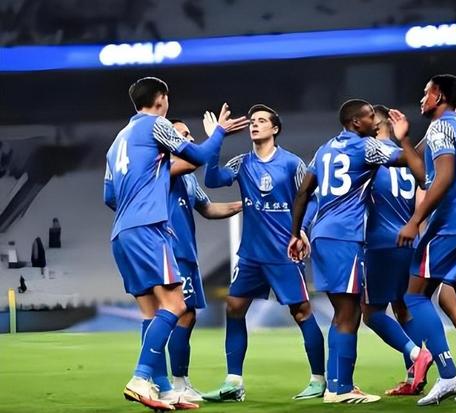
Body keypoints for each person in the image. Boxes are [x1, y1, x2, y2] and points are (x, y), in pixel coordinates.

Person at [104, 76, 248, 410]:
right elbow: (198, 155)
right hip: (149, 229)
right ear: (161, 98)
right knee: (176, 305)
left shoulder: (117, 141)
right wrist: (219, 133)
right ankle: (141, 378)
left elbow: (109, 196)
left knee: (150, 312)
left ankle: (164, 388)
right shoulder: (157, 125)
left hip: (122, 232)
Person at [288, 99, 425, 404]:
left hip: (322, 234)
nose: (374, 122)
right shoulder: (367, 147)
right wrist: (404, 137)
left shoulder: (324, 150)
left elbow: (303, 192)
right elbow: (412, 164)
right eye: (369, 117)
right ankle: (344, 388)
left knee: (343, 314)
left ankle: (336, 386)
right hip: (346, 237)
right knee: (350, 315)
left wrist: (296, 233)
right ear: (355, 122)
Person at [203, 104, 326, 402]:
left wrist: (302, 229)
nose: (254, 125)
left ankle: (319, 380)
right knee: (234, 307)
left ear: (275, 128)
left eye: (261, 121)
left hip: (284, 253)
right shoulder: (242, 163)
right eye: (252, 122)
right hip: (251, 254)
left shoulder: (292, 164)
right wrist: (216, 138)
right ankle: (234, 382)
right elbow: (212, 179)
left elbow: (311, 199)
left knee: (301, 312)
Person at [396, 75, 456, 405]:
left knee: (414, 295)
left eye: (426, 93)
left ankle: (449, 373)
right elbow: (428, 175)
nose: (422, 99)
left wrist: (414, 221)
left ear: (438, 96)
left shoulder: (440, 128)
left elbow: (443, 179)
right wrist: (404, 140)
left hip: (450, 225)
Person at [147, 118, 241, 404]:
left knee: (184, 315)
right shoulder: (162, 169)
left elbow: (209, 209)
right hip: (171, 251)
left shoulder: (188, 179)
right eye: (182, 134)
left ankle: (169, 381)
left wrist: (244, 204)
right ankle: (172, 382)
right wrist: (217, 136)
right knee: (181, 314)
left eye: (189, 134)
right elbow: (194, 161)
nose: (188, 138)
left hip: (187, 253)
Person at [362, 104, 431, 396]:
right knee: (403, 308)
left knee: (371, 313)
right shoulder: (407, 158)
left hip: (381, 244)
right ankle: (413, 377)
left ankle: (418, 354)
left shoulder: (370, 159)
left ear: (377, 127)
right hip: (409, 241)